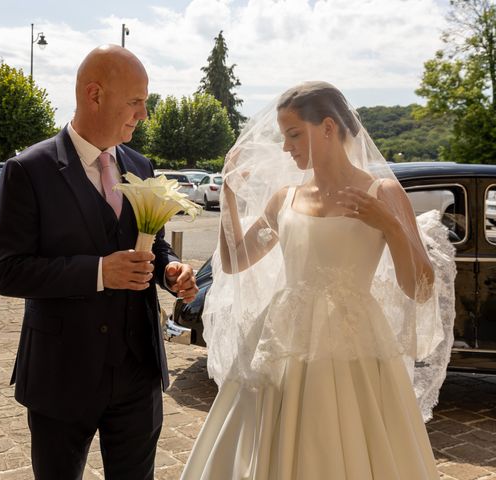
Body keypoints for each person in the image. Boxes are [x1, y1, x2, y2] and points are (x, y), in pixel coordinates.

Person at [181, 82, 456, 479]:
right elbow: (235, 259)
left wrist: (391, 227)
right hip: (282, 341)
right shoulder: (285, 198)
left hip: (354, 346)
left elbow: (420, 288)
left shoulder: (384, 192)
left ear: (328, 127)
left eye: (294, 134)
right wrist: (228, 194)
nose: (285, 147)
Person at [0, 44, 198, 480]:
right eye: (136, 101)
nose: (143, 114)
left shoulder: (140, 165)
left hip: (138, 370)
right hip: (61, 373)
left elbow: (154, 244)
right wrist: (100, 272)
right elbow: (8, 271)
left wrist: (170, 269)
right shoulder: (29, 169)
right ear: (94, 94)